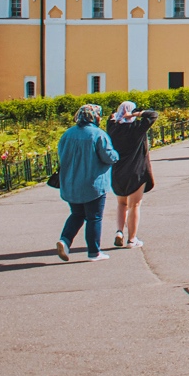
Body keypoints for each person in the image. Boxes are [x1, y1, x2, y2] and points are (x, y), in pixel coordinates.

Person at [55, 104, 118, 262]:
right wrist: (116, 155)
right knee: (94, 217)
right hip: (93, 183)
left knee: (77, 214)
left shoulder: (68, 134)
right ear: (95, 117)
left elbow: (61, 155)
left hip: (70, 183)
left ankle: (65, 240)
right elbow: (108, 157)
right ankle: (94, 252)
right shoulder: (98, 134)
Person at [108, 101, 159, 249]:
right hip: (136, 171)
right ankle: (132, 239)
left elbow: (110, 118)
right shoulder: (136, 128)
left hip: (118, 172)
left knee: (121, 203)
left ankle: (119, 232)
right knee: (135, 205)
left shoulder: (113, 128)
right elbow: (153, 115)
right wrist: (136, 114)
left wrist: (117, 115)